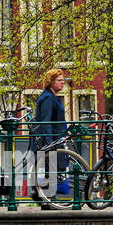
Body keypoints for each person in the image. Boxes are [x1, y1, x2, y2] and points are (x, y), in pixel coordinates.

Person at [30, 68, 69, 205]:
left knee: (51, 169)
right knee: (49, 168)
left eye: (63, 79)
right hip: (48, 140)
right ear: (51, 82)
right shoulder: (47, 98)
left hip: (54, 138)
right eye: (59, 80)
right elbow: (46, 122)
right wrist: (50, 143)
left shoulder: (51, 96)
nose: (63, 82)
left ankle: (48, 200)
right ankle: (46, 200)